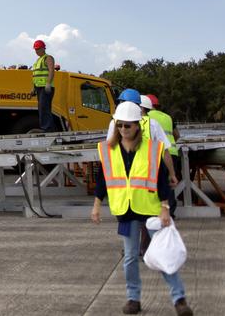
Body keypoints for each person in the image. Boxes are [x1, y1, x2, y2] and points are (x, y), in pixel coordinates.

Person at [92, 101, 193, 316]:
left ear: (137, 125)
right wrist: (97, 204)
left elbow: (161, 181)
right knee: (129, 258)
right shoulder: (108, 150)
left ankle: (179, 299)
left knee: (163, 255)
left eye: (127, 125)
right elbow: (102, 179)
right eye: (119, 125)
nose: (123, 129)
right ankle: (133, 299)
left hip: (150, 209)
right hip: (126, 211)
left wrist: (165, 207)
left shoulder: (152, 148)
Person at [106, 91, 178, 189]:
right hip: (148, 175)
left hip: (124, 173)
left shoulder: (114, 123)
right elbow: (165, 151)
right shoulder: (153, 124)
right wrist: (172, 173)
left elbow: (110, 149)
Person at [32, 39, 58, 131]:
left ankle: (47, 128)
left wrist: (48, 83)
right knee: (41, 108)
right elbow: (35, 75)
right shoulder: (38, 60)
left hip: (45, 87)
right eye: (35, 49)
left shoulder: (48, 58)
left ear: (43, 48)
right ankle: (46, 127)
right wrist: (34, 88)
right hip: (39, 88)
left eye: (38, 49)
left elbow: (51, 71)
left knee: (44, 108)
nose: (36, 51)